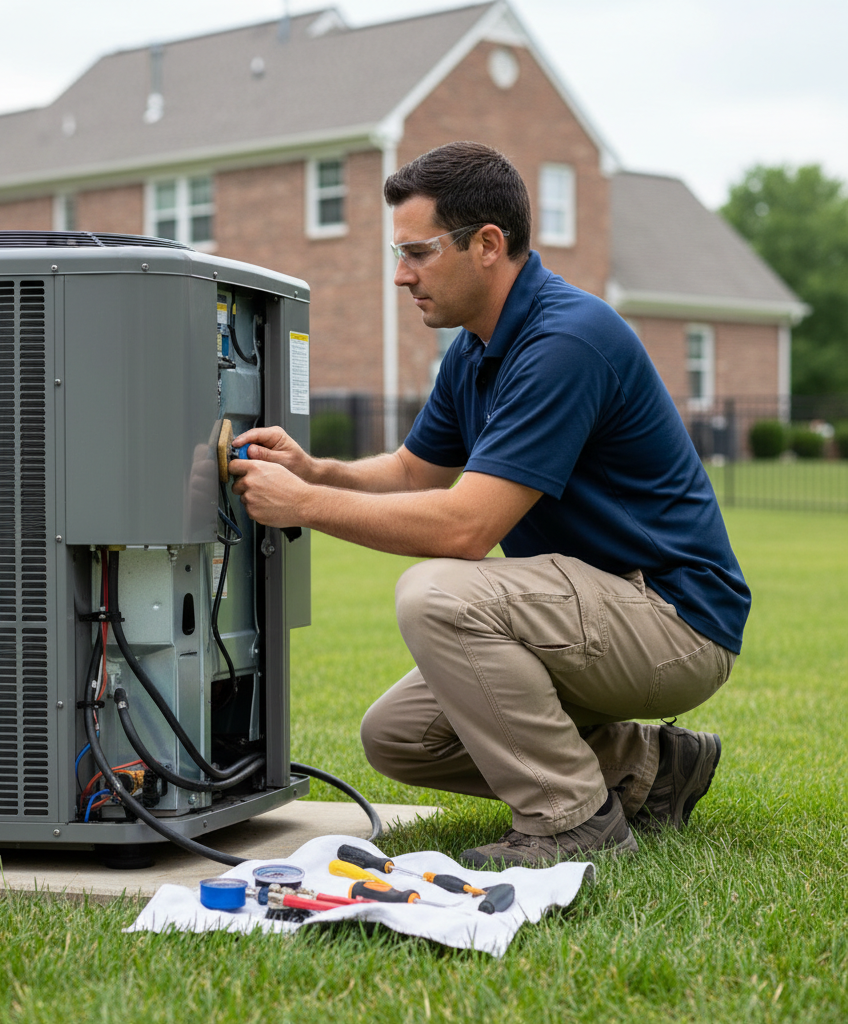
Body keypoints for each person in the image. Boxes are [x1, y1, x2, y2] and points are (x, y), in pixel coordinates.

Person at [228, 141, 749, 866]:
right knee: (400, 736)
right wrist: (316, 471)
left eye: (418, 251)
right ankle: (651, 770)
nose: (401, 274)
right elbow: (415, 472)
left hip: (674, 618)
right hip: (596, 611)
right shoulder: (475, 350)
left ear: (487, 245)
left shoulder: (565, 340)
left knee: (437, 593)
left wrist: (303, 506)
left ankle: (572, 821)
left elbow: (466, 527)